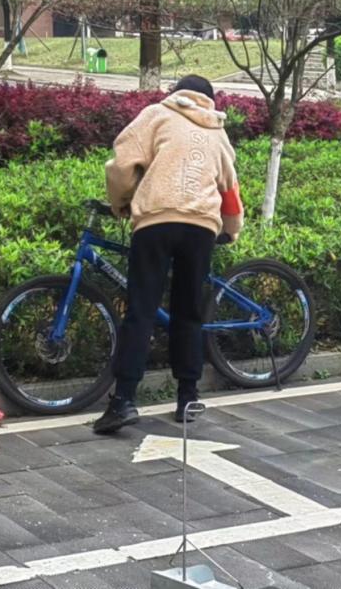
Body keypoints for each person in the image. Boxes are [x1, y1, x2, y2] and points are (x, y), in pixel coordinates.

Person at [93, 75, 244, 434]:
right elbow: (230, 190)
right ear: (209, 100)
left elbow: (122, 165)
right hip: (201, 228)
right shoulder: (217, 131)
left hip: (156, 222)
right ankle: (188, 398)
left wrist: (120, 203)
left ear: (176, 94)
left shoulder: (156, 115)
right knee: (188, 312)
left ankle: (123, 401)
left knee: (141, 311)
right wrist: (232, 229)